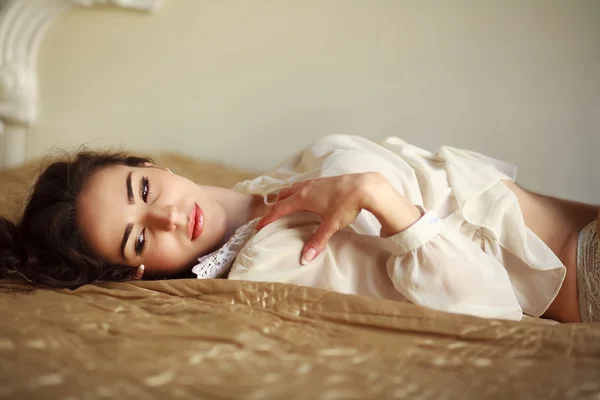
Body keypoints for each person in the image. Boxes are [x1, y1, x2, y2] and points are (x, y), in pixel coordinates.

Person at [0, 135, 597, 323]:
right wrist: (385, 204)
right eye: (140, 237)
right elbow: (491, 310)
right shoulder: (278, 265)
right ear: (137, 272)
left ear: (152, 166)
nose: (168, 217)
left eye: (145, 191)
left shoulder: (284, 178)